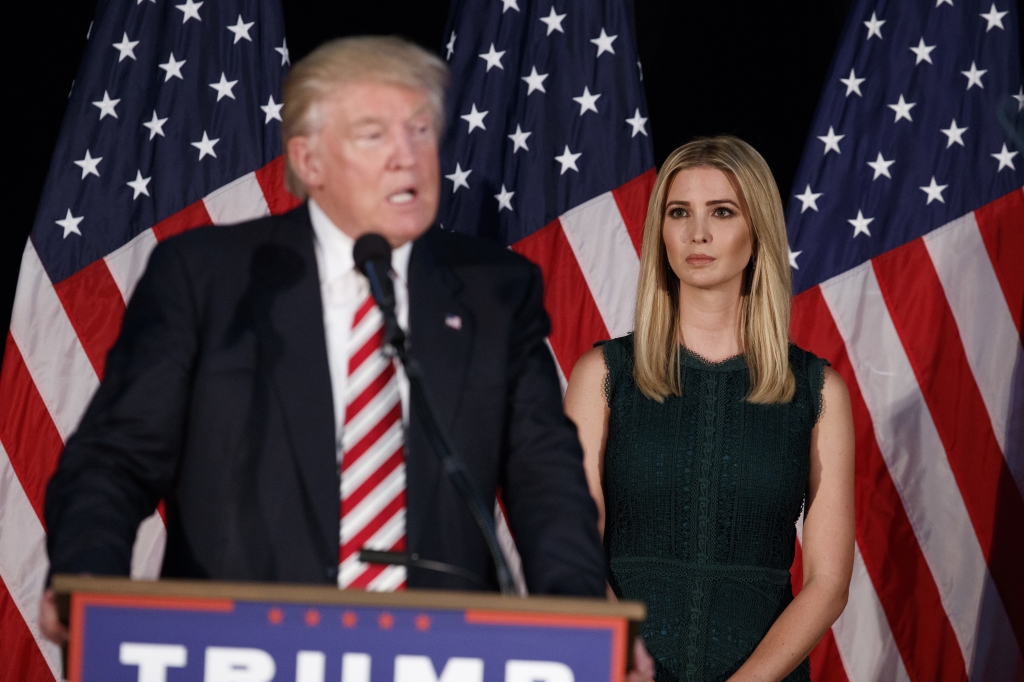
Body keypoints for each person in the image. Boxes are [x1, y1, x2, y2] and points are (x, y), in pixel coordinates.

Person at [40, 36, 607, 641]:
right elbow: (117, 457)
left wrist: (582, 628)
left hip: (439, 647)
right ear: (309, 162)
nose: (407, 157)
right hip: (240, 641)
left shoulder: (496, 289)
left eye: (420, 132)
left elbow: (545, 481)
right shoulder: (209, 276)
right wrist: (86, 577)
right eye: (373, 135)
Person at [564, 136, 855, 682]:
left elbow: (828, 582)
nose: (698, 232)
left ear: (758, 231)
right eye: (680, 212)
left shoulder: (817, 391)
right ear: (662, 232)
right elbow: (571, 552)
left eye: (721, 212)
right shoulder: (603, 375)